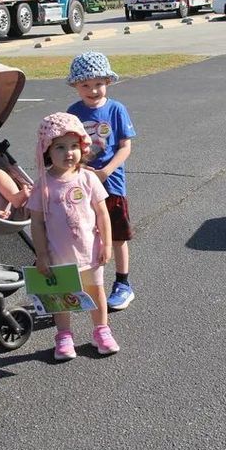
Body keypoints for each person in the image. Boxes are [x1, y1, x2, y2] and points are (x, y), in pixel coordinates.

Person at [28, 112, 118, 360]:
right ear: (47, 150)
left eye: (74, 146)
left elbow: (102, 214)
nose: (69, 153)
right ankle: (64, 336)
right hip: (59, 256)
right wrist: (42, 255)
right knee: (62, 298)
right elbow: (36, 223)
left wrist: (107, 243)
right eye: (60, 147)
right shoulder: (43, 185)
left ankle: (102, 330)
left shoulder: (88, 178)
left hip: (90, 251)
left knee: (96, 290)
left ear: (83, 148)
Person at [65, 52, 138, 312]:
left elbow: (125, 147)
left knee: (117, 236)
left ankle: (123, 284)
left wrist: (106, 170)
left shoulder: (116, 109)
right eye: (85, 85)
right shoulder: (73, 113)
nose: (93, 90)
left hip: (111, 183)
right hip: (82, 184)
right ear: (75, 86)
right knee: (82, 233)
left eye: (98, 83)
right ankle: (85, 284)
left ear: (107, 81)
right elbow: (67, 148)